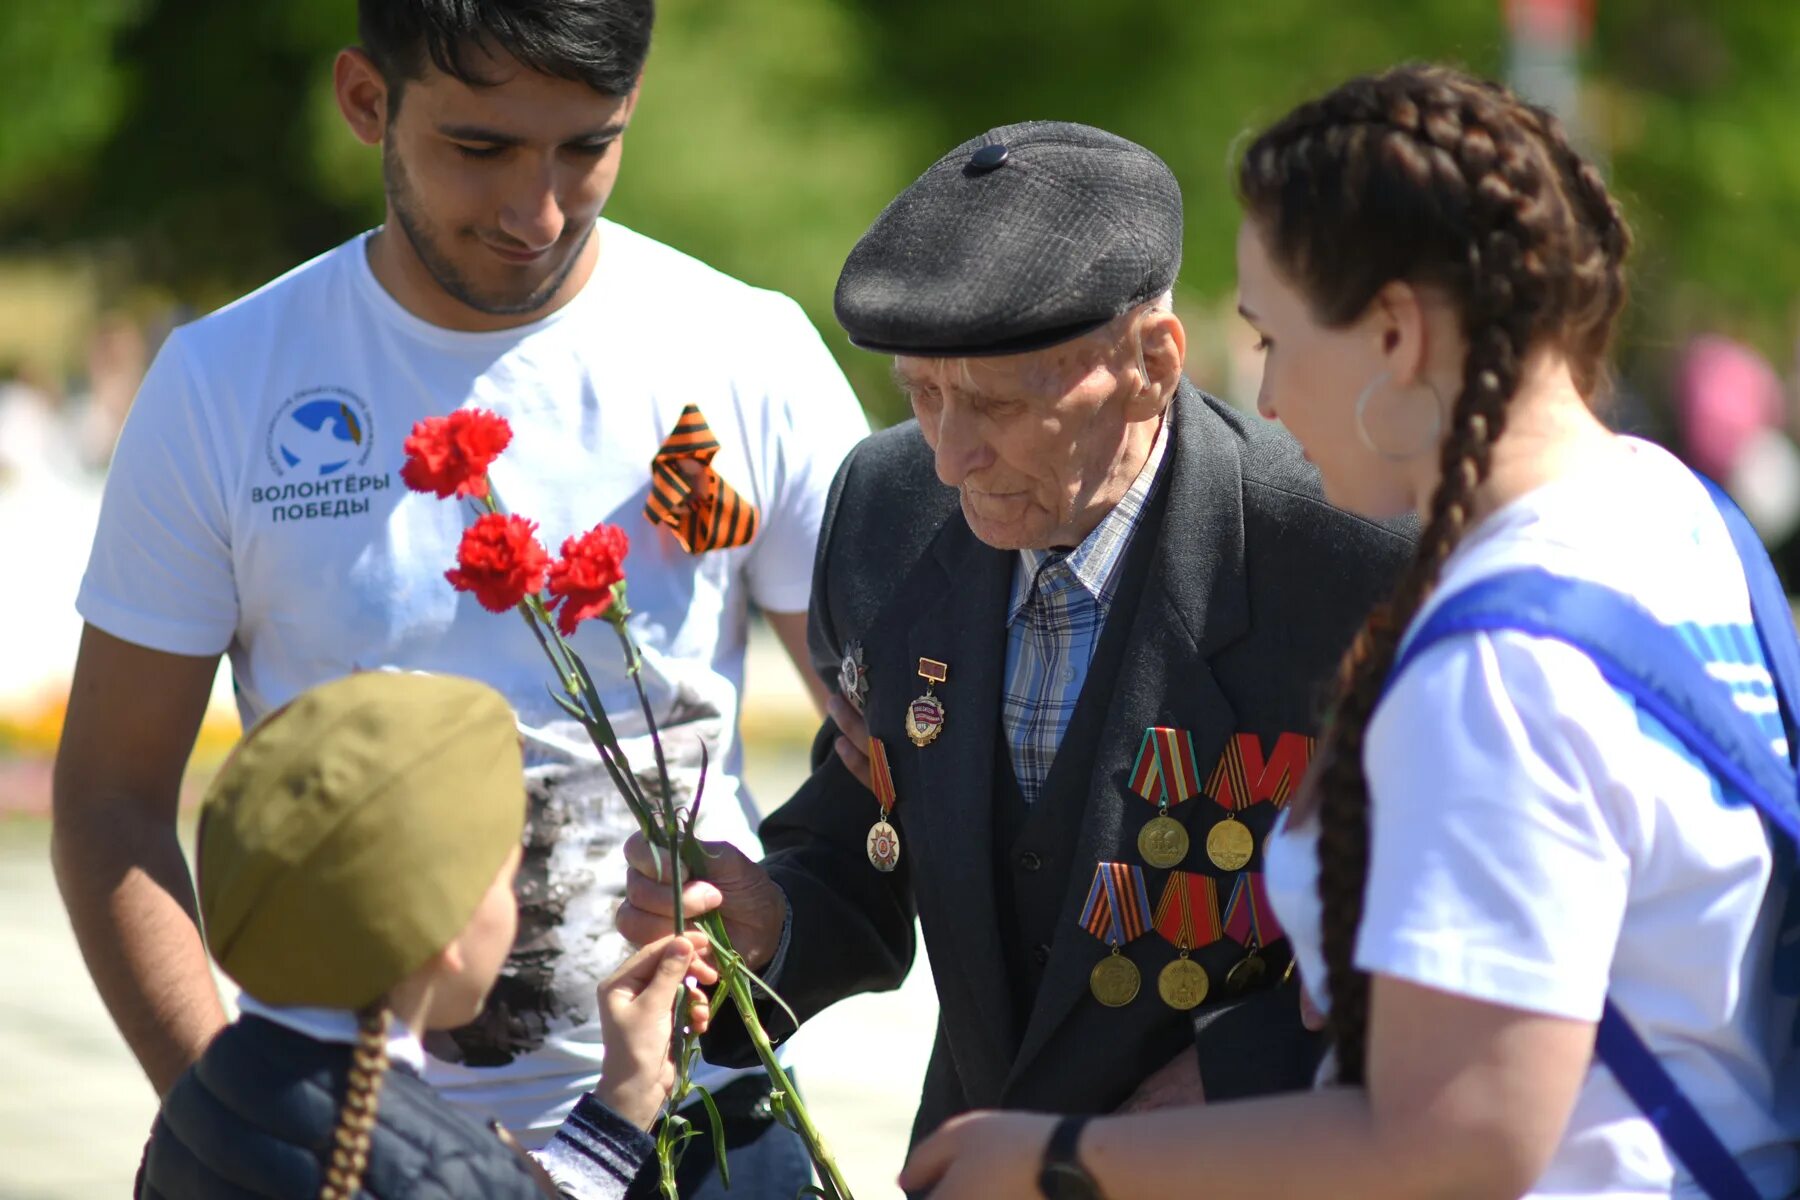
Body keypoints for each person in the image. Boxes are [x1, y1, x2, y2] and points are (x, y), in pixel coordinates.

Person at [901, 65, 1800, 1200]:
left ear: (1393, 334)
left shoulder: (1497, 668)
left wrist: (1058, 1160)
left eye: (1273, 339)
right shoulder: (1678, 516)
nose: (1265, 401)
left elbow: (1459, 1141)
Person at [53, 2, 866, 1193]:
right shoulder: (224, 383)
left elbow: (895, 738)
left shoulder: (748, 350)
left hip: (709, 1116)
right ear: (366, 102)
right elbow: (110, 798)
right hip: (346, 1140)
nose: (537, 212)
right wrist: (251, 1120)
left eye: (588, 145)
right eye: (480, 149)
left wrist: (784, 913)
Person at [619, 121, 1414, 1146]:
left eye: (995, 406)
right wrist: (773, 923)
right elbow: (873, 825)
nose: (950, 457)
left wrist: (1239, 1070)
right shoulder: (887, 507)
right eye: (923, 394)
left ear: (1149, 362)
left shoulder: (1346, 556)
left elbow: (1441, 942)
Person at [138, 671, 715, 1198]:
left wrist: (618, 1108)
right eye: (509, 875)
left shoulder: (197, 1105)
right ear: (447, 923)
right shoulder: (449, 1172)